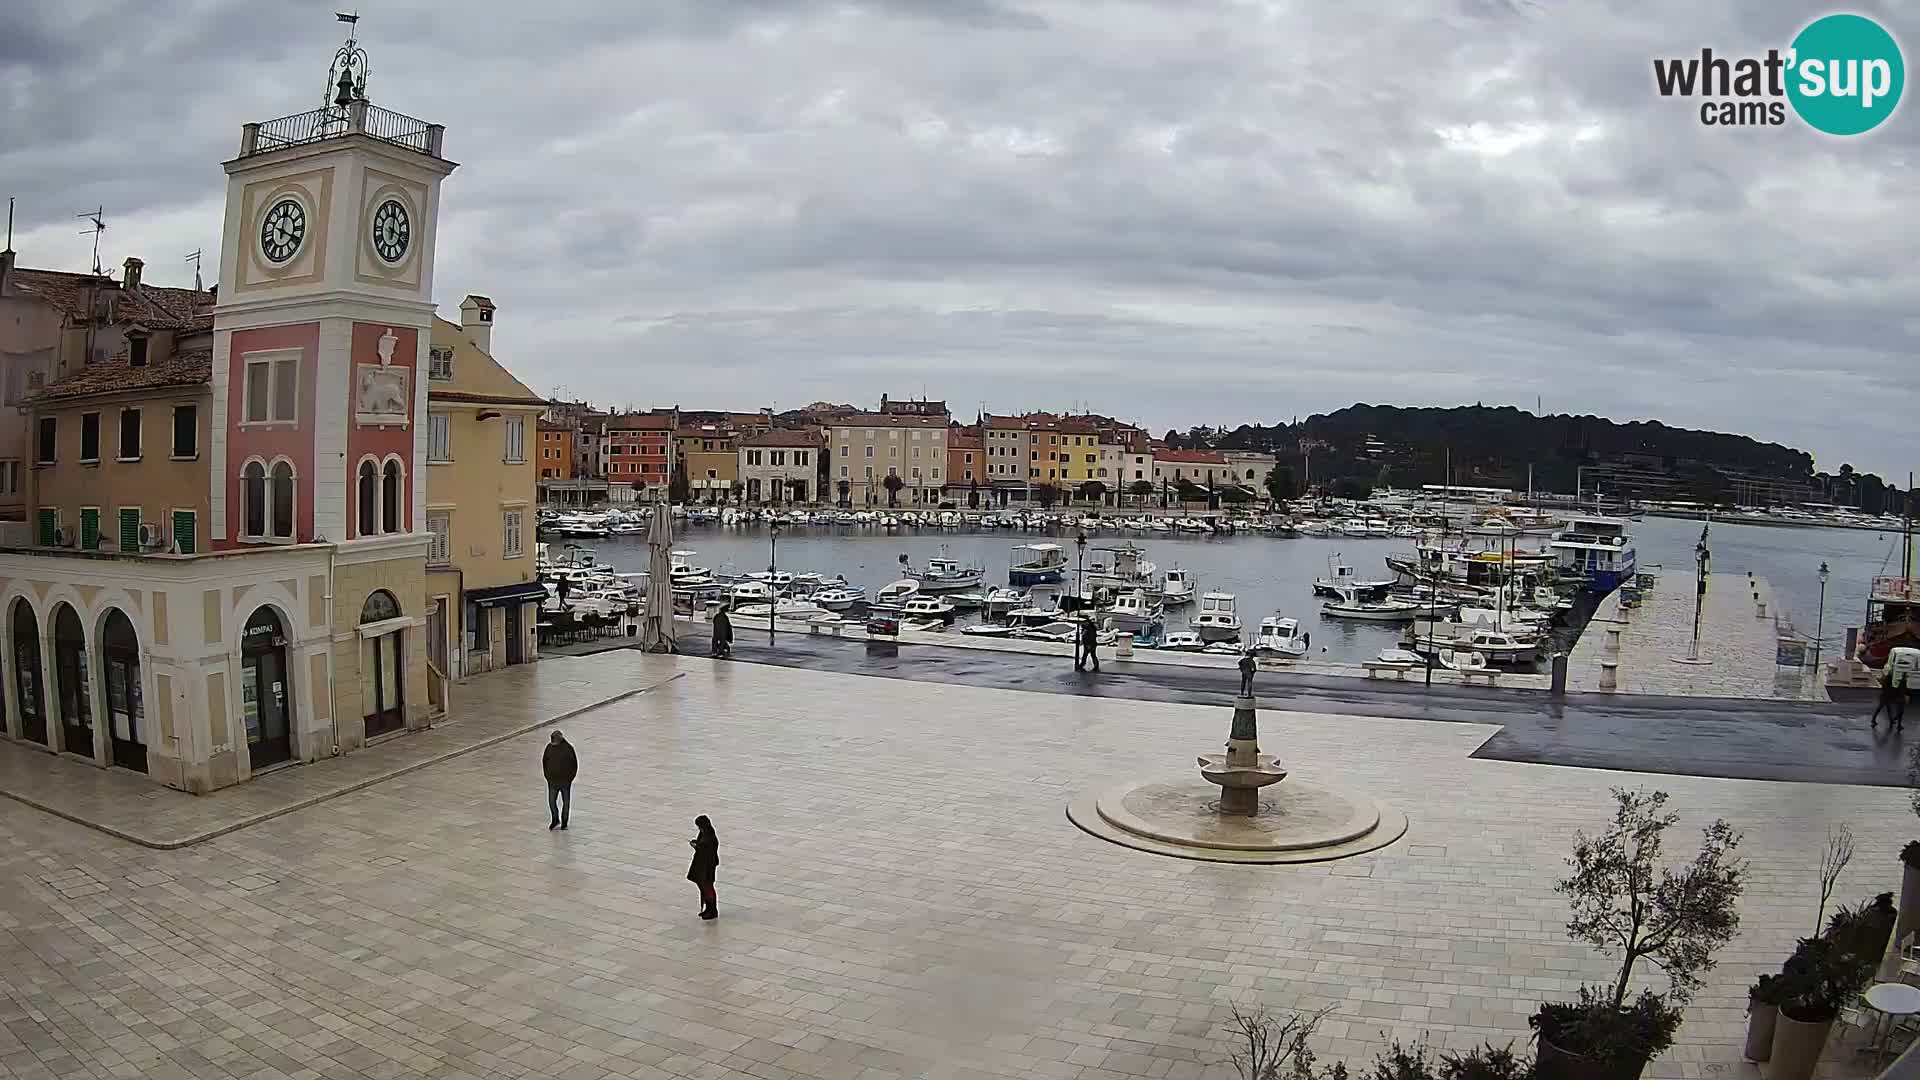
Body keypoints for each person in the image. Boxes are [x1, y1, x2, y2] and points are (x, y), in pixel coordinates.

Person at [543, 731, 577, 830]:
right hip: (552, 782)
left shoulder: (568, 749)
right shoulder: (549, 748)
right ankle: (555, 819)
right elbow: (544, 761)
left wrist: (570, 778)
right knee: (551, 801)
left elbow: (574, 765)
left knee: (566, 803)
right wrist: (547, 776)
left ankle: (564, 823)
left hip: (565, 782)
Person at [688, 815, 719, 919]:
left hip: (707, 866)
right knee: (704, 887)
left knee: (708, 887)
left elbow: (707, 850)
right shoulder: (705, 833)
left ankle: (712, 910)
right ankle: (708, 908)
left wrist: (697, 846)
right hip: (702, 865)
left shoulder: (710, 837)